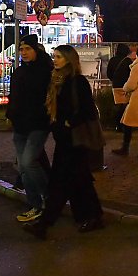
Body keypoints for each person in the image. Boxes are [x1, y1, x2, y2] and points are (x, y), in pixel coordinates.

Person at [23, 45, 104, 240]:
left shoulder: (77, 82)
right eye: (54, 56)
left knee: (59, 183)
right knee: (80, 179)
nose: (55, 60)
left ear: (69, 59)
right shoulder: (56, 80)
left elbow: (88, 110)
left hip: (74, 139)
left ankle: (45, 224)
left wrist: (69, 123)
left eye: (59, 57)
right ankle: (92, 216)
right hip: (64, 138)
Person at [7, 34, 54, 223]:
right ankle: (35, 204)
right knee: (23, 167)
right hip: (20, 125)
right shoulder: (19, 71)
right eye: (21, 49)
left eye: (28, 49)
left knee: (28, 162)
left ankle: (48, 196)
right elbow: (14, 95)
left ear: (36, 50)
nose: (24, 53)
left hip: (38, 124)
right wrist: (11, 114)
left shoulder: (45, 71)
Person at [112, 48, 138, 157]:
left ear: (137, 55)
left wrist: (125, 88)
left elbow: (131, 85)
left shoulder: (137, 67)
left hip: (137, 98)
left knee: (127, 123)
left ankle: (125, 149)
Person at [106, 43, 133, 129]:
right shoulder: (128, 61)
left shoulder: (112, 60)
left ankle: (117, 125)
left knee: (118, 105)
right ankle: (124, 124)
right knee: (125, 106)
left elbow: (108, 74)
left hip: (116, 86)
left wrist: (114, 80)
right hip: (125, 86)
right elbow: (131, 74)